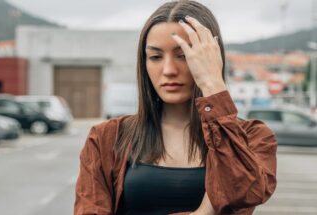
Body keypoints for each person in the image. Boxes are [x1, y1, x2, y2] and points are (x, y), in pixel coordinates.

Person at [74, 1, 277, 214]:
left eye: (184, 55)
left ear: (211, 59)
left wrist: (213, 85)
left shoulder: (253, 137)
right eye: (155, 57)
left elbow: (247, 192)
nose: (169, 70)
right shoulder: (106, 138)